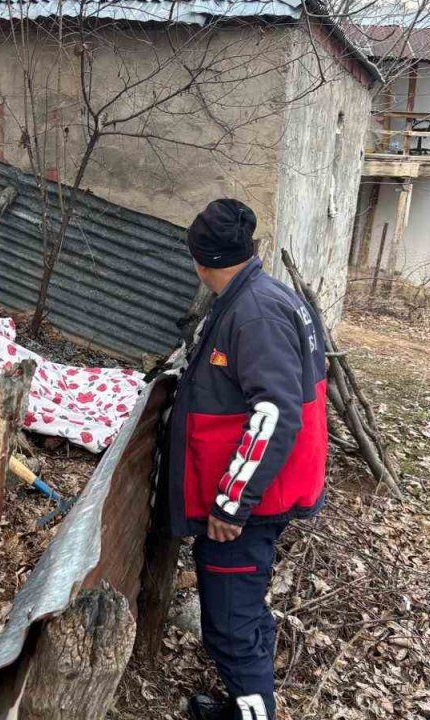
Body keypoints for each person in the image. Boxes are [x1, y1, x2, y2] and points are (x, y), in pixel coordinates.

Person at [166, 199, 329, 720]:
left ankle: (255, 712)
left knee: (231, 620)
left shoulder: (255, 313)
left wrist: (232, 501)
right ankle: (246, 706)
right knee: (241, 603)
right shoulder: (257, 295)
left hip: (251, 505)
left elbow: (275, 413)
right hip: (264, 493)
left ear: (200, 258)